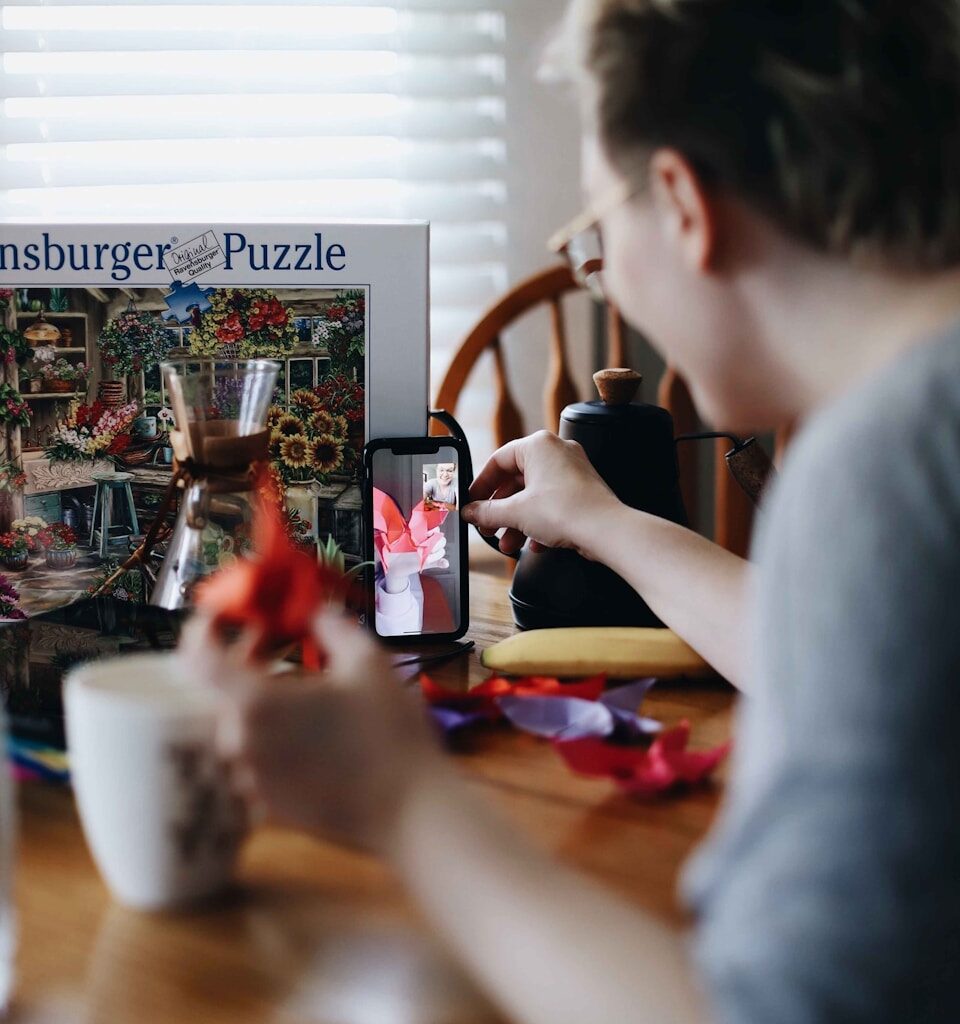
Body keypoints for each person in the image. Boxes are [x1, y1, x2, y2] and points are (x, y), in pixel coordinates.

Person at [191, 2, 960, 1021]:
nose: (607, 271)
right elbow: (852, 653)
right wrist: (601, 519)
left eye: (598, 229)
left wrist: (406, 805)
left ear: (684, 203)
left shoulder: (883, 475)